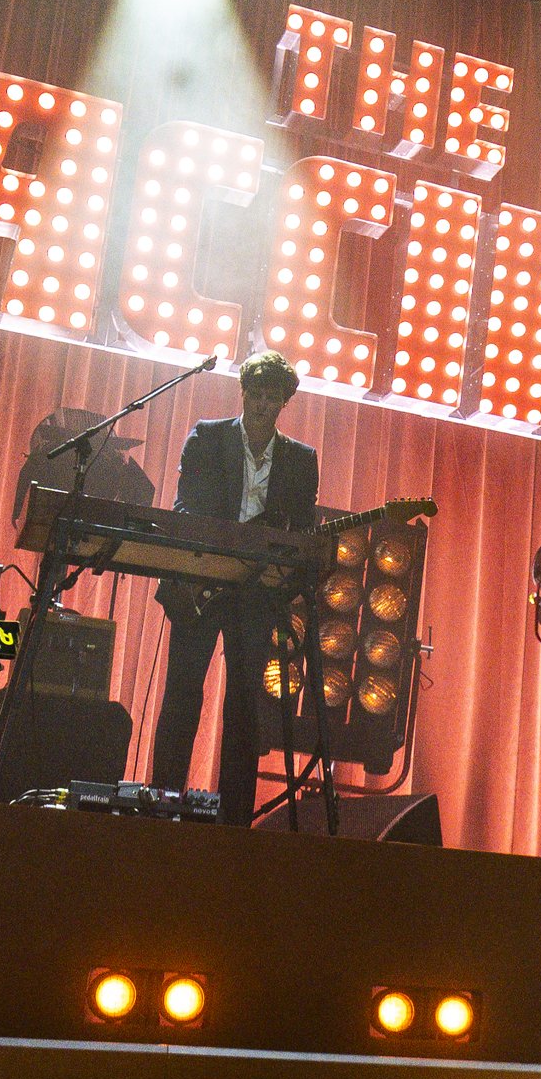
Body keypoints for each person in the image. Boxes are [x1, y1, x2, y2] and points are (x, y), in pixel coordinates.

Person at [150, 349, 319, 825]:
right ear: (243, 391)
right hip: (201, 586)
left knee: (245, 705)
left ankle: (234, 819)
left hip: (255, 594)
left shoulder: (301, 460)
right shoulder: (207, 437)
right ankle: (164, 803)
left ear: (284, 402)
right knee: (183, 695)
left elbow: (301, 529)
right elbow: (186, 508)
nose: (262, 405)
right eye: (256, 394)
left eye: (272, 398)